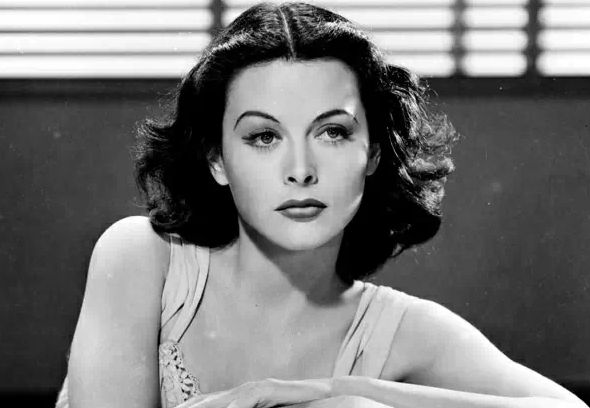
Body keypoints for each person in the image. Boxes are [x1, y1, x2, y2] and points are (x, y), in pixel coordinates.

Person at [55, 2, 587, 408]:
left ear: (373, 153)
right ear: (217, 160)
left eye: (332, 132)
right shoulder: (141, 258)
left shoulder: (402, 330)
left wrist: (345, 391)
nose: (300, 170)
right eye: (264, 137)